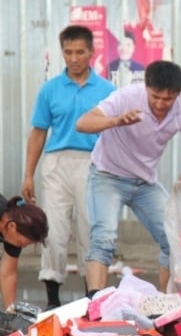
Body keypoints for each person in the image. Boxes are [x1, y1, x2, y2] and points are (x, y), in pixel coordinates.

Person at [75, 60, 181, 296]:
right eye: (156, 97)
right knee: (104, 237)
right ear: (146, 88)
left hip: (145, 182)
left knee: (173, 237)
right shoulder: (126, 97)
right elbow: (82, 123)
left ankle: (167, 300)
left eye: (168, 98)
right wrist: (116, 120)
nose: (161, 104)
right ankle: (94, 302)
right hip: (108, 176)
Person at [22, 24, 115, 310]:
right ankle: (52, 301)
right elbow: (38, 132)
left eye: (80, 52)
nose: (74, 58)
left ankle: (92, 300)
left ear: (92, 52)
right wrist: (28, 174)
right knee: (55, 230)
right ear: (62, 52)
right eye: (68, 52)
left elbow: (115, 134)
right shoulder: (50, 89)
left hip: (94, 163)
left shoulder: (107, 89)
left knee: (91, 228)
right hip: (57, 164)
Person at [0, 195, 49, 310]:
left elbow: (8, 274)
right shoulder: (11, 227)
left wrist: (11, 313)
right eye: (21, 243)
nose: (21, 247)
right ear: (12, 227)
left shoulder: (11, 227)